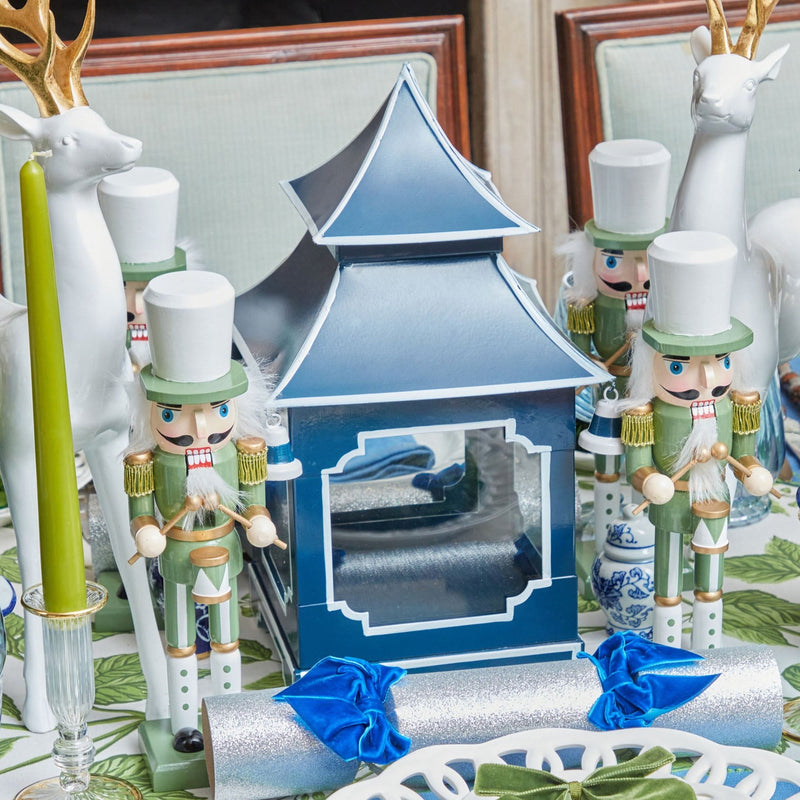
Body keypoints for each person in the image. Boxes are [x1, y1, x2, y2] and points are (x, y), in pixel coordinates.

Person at [124, 270, 282, 752]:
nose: (197, 427)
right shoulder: (147, 461)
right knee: (180, 643)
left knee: (227, 638)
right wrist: (146, 529)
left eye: (216, 409)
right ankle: (185, 724)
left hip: (224, 550)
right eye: (173, 412)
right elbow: (140, 511)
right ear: (152, 408)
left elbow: (255, 498)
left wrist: (259, 520)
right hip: (177, 555)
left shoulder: (243, 451)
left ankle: (229, 721)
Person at [621, 231, 772, 649]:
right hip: (671, 502)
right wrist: (651, 480)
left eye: (720, 361)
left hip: (715, 499)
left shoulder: (737, 405)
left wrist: (752, 470)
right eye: (679, 366)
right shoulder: (646, 412)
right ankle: (666, 650)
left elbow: (744, 454)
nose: (706, 377)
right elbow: (637, 465)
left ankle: (708, 651)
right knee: (667, 585)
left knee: (711, 584)